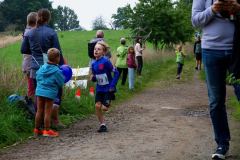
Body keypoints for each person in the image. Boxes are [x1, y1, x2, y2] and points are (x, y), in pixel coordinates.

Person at [192, 0, 240, 159]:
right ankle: (222, 143)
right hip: (211, 51)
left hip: (237, 50)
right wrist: (213, 9)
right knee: (216, 101)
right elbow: (195, 20)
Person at [21, 8, 64, 130]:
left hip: (35, 70)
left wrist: (35, 52)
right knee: (56, 94)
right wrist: (61, 66)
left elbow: (23, 50)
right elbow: (58, 52)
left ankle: (38, 126)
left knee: (37, 96)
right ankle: (53, 121)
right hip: (51, 69)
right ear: (48, 18)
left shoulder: (29, 33)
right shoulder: (51, 33)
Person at [34, 48, 65, 137]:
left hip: (39, 92)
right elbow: (61, 82)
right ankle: (47, 130)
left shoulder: (42, 67)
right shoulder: (56, 70)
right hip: (49, 94)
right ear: (57, 58)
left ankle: (36, 129)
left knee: (39, 110)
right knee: (47, 111)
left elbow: (37, 77)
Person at [90, 41, 119, 133]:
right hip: (99, 88)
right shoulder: (93, 64)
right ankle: (102, 125)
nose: (96, 51)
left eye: (99, 49)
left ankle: (110, 96)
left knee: (104, 108)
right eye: (95, 49)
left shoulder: (106, 61)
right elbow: (96, 77)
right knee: (97, 106)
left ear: (103, 52)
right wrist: (93, 78)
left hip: (108, 88)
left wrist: (112, 85)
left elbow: (116, 73)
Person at [21, 12, 37, 99]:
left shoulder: (26, 31)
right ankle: (31, 106)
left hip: (27, 63)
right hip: (31, 64)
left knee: (31, 85)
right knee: (32, 87)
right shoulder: (31, 32)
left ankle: (32, 104)